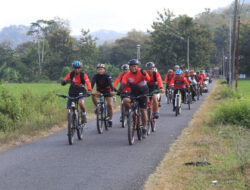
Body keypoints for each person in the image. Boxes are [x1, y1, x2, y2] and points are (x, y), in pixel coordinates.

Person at [118, 59, 150, 138]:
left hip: (143, 92)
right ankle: (130, 113)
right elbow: (123, 83)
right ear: (129, 67)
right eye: (131, 66)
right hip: (133, 92)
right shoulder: (127, 75)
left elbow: (148, 79)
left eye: (134, 66)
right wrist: (120, 90)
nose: (133, 68)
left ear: (137, 66)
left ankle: (144, 128)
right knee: (125, 100)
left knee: (143, 110)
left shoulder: (142, 72)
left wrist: (144, 74)